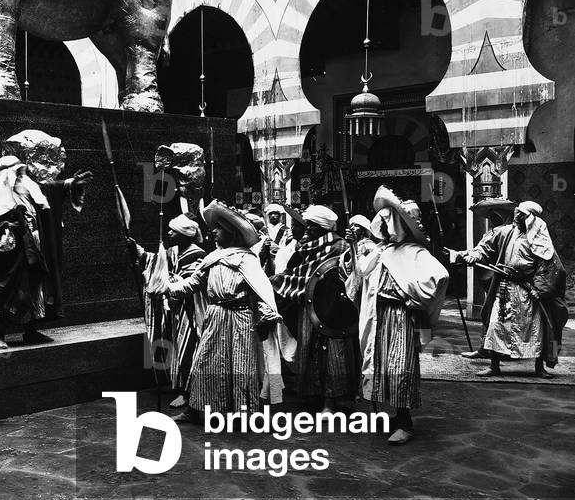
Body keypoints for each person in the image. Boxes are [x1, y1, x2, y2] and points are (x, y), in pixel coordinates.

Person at [166, 201, 295, 422]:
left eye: (219, 228)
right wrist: (166, 287)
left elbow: (260, 291)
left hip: (242, 318)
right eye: (214, 227)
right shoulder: (211, 259)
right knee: (205, 361)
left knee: (241, 365)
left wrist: (268, 315)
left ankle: (242, 414)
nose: (213, 232)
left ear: (231, 232)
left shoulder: (247, 260)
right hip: (215, 317)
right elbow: (190, 285)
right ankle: (197, 410)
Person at [348, 188, 448, 445]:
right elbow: (360, 271)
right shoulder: (383, 250)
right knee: (382, 365)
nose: (380, 226)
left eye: (384, 221)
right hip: (379, 314)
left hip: (400, 316)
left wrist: (411, 295)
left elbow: (439, 277)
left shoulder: (415, 252)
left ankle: (405, 422)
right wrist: (351, 246)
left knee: (399, 366)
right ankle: (395, 416)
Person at [0, 154, 92, 349]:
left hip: (32, 247)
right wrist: (8, 224)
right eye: (18, 173)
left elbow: (49, 190)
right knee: (8, 291)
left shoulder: (29, 187)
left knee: (34, 287)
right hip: (9, 253)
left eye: (22, 172)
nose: (22, 176)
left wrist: (71, 183)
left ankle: (30, 331)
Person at [453, 200, 566, 378]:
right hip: (504, 288)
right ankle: (494, 366)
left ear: (530, 219)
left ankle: (539, 368)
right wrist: (471, 256)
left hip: (527, 290)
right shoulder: (505, 232)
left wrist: (539, 289)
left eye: (521, 214)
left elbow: (549, 267)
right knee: (497, 326)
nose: (516, 215)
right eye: (517, 212)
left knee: (534, 329)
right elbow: (484, 248)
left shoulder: (539, 239)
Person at [274, 205, 358, 413]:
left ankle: (331, 400)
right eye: (307, 226)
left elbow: (348, 279)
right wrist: (275, 282)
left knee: (332, 355)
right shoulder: (305, 247)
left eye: (312, 226)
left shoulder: (340, 247)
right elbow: (294, 273)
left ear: (324, 228)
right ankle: (314, 395)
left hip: (332, 311)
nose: (307, 230)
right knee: (310, 351)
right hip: (309, 308)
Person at [129, 213, 207, 409]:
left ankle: (189, 392)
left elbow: (190, 282)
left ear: (184, 234)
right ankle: (181, 387)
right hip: (175, 310)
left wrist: (169, 283)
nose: (170, 233)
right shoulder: (173, 251)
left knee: (189, 349)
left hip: (191, 311)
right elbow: (155, 261)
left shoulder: (197, 254)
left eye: (174, 231)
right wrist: (136, 249)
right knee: (178, 349)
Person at [455, 198, 517, 361]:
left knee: (499, 314)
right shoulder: (492, 232)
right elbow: (481, 249)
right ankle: (487, 349)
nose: (492, 219)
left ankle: (501, 350)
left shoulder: (505, 231)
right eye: (490, 216)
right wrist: (467, 254)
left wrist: (474, 255)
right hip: (493, 277)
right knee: (489, 313)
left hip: (505, 277)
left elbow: (483, 250)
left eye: (495, 215)